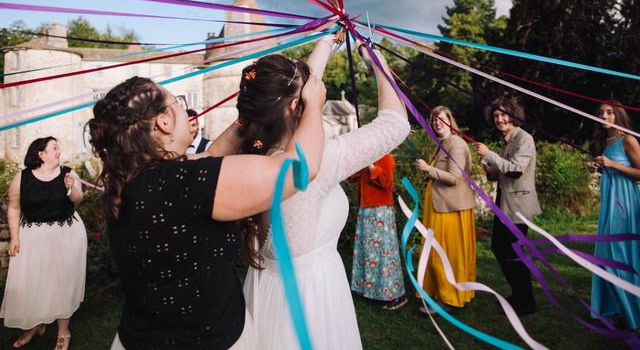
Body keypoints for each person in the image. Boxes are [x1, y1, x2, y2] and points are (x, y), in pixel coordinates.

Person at [86, 75, 326, 350]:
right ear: (164, 122)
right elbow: (298, 169)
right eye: (177, 102)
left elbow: (211, 154)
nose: (183, 108)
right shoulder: (181, 183)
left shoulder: (132, 179)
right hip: (208, 340)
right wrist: (314, 104)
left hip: (139, 338)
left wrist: (247, 115)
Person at [239, 36, 410, 350]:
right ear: (297, 104)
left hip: (265, 291)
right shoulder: (316, 164)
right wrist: (378, 64)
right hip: (310, 299)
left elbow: (295, 96)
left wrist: (327, 42)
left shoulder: (246, 152)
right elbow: (395, 124)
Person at [0, 137, 86, 350]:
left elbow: (78, 199)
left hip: (66, 234)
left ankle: (63, 332)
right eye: (54, 148)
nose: (59, 151)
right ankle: (36, 324)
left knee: (62, 283)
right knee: (34, 282)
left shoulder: (68, 172)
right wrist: (15, 237)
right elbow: (13, 208)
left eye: (59, 148)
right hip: (33, 237)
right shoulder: (22, 178)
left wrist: (71, 187)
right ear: (41, 154)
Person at [475, 97, 540, 317]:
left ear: (513, 114)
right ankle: (519, 295)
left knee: (513, 253)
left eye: (503, 114)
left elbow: (516, 170)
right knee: (499, 248)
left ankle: (526, 302)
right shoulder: (508, 140)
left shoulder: (524, 138)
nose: (500, 119)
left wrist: (490, 154)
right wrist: (490, 170)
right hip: (504, 203)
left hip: (519, 206)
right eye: (496, 116)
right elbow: (504, 173)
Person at [414, 106, 476, 314]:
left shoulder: (456, 144)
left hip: (450, 209)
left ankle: (447, 297)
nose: (437, 123)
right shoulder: (442, 144)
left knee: (445, 253)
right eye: (434, 120)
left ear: (450, 120)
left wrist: (428, 169)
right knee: (438, 251)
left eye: (441, 119)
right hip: (440, 207)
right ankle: (442, 292)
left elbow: (454, 177)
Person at [589, 101, 640, 330]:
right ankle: (617, 308)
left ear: (618, 114)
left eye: (609, 112)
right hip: (609, 202)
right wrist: (599, 167)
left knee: (620, 252)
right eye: (601, 113)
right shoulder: (605, 142)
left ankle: (633, 313)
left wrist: (612, 165)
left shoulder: (628, 139)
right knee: (606, 252)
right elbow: (610, 168)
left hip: (625, 203)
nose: (605, 115)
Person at [350, 153, 407, 310]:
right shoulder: (369, 156)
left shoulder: (386, 158)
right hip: (367, 210)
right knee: (368, 251)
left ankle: (396, 294)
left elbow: (388, 182)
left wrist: (372, 167)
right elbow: (353, 177)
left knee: (384, 252)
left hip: (380, 210)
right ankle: (370, 289)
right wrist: (357, 165)